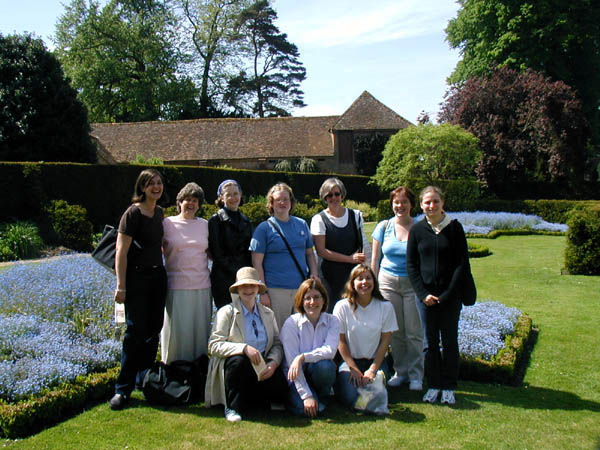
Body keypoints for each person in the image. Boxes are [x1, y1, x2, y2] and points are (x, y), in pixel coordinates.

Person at [110, 169, 168, 410]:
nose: (156, 187)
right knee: (134, 333)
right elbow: (121, 252)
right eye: (150, 184)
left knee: (154, 330)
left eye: (159, 183)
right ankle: (122, 390)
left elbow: (163, 245)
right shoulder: (132, 213)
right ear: (142, 187)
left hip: (158, 277)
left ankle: (143, 381)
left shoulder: (160, 213)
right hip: (137, 278)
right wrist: (121, 286)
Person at [406, 186, 470, 405]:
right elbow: (411, 265)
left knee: (450, 341)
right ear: (421, 205)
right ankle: (433, 384)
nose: (431, 206)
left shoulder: (454, 228)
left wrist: (447, 294)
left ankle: (449, 386)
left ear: (443, 202)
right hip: (425, 298)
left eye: (435, 201)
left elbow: (462, 264)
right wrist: (423, 294)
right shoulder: (417, 230)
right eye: (427, 202)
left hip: (450, 297)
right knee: (429, 343)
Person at [204, 267, 287, 422]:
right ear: (237, 289)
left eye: (252, 286)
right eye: (243, 286)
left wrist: (273, 363)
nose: (248, 290)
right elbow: (214, 345)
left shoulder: (268, 313)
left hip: (261, 365)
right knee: (239, 362)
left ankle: (255, 400)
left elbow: (276, 343)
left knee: (281, 388)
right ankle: (232, 407)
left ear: (257, 288)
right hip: (237, 365)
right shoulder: (226, 312)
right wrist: (243, 348)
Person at [371, 186, 424, 391]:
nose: (400, 206)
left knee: (414, 331)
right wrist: (374, 286)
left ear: (411, 204)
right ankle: (400, 372)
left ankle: (416, 375)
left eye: (404, 202)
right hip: (387, 282)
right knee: (395, 332)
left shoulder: (420, 227)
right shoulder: (384, 227)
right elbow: (375, 259)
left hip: (412, 284)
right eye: (396, 202)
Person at [250, 182, 319, 330]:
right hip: (276, 291)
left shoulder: (301, 225)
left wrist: (314, 273)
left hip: (301, 289)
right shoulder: (264, 229)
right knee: (279, 334)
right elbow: (257, 263)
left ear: (291, 202)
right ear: (271, 203)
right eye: (278, 200)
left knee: (302, 331)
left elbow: (309, 254)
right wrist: (263, 292)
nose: (282, 203)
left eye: (286, 199)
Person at [333, 264, 398, 408]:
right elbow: (340, 341)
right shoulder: (342, 306)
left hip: (376, 362)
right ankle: (359, 395)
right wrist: (353, 367)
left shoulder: (385, 307)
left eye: (368, 278)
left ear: (374, 283)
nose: (364, 282)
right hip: (350, 363)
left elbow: (385, 341)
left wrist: (373, 370)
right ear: (352, 284)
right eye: (359, 279)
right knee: (350, 398)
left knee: (370, 393)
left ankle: (371, 394)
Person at [161, 182, 211, 364]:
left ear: (199, 205)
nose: (191, 203)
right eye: (187, 199)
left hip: (202, 285)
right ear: (179, 202)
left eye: (195, 200)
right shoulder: (167, 223)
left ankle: (197, 372)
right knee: (177, 334)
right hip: (176, 286)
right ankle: (173, 372)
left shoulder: (205, 225)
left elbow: (212, 252)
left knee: (199, 333)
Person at [280, 279, 340, 417]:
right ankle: (311, 399)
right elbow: (292, 364)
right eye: (307, 298)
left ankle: (321, 397)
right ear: (301, 301)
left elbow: (330, 351)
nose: (312, 302)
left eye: (317, 297)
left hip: (317, 370)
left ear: (324, 300)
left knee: (326, 366)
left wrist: (302, 357)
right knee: (303, 410)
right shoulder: (291, 323)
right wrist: (306, 396)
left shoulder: (333, 321)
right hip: (295, 376)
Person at [310, 177, 371, 312]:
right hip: (328, 277)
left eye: (336, 194)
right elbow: (321, 251)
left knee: (354, 311)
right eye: (329, 195)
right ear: (324, 198)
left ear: (342, 195)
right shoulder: (318, 220)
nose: (333, 198)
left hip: (352, 276)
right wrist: (350, 259)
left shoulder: (355, 216)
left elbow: (363, 244)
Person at [208, 179, 253, 308]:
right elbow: (217, 253)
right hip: (223, 279)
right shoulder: (215, 221)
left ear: (240, 195)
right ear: (221, 198)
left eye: (235, 194)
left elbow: (249, 251)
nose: (233, 198)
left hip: (244, 279)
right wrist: (237, 273)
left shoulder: (246, 221)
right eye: (228, 195)